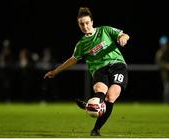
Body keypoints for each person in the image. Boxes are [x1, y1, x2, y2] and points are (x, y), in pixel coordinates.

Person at [44, 7, 130, 136]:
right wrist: (56, 71)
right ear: (79, 25)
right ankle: (94, 124)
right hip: (99, 70)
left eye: (87, 23)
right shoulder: (81, 44)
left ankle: (94, 121)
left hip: (117, 65)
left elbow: (124, 35)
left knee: (111, 96)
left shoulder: (104, 30)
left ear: (92, 22)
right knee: (101, 91)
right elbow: (72, 60)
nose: (85, 26)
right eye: (81, 24)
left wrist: (123, 38)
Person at [155, 35, 169, 104]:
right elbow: (158, 62)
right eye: (162, 44)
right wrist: (167, 65)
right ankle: (167, 102)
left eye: (165, 44)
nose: (164, 45)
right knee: (167, 87)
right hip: (165, 74)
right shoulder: (159, 53)